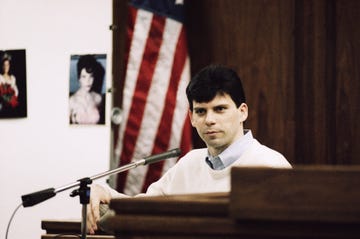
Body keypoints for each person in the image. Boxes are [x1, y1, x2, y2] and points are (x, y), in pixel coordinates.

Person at [86, 64, 292, 234]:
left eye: (220, 109)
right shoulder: (190, 162)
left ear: (242, 112)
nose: (209, 120)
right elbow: (143, 211)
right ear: (192, 118)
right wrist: (104, 192)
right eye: (201, 111)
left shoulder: (271, 166)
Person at [69, 54, 105, 124]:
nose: (88, 81)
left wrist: (110, 90)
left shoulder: (98, 98)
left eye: (91, 76)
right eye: (84, 77)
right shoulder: (71, 101)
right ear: (79, 78)